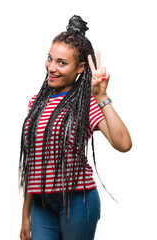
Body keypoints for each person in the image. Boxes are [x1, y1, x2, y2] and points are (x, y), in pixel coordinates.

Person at [19, 15, 132, 240]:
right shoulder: (36, 102)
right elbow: (34, 160)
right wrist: (25, 214)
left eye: (62, 63)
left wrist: (102, 96)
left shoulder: (86, 103)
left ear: (81, 67)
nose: (51, 67)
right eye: (50, 58)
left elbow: (124, 144)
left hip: (78, 201)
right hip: (41, 204)